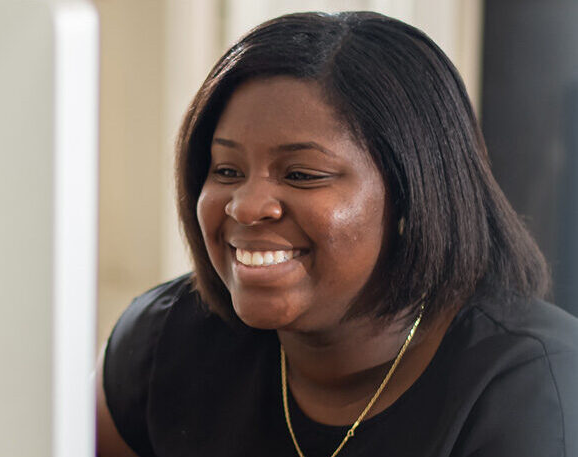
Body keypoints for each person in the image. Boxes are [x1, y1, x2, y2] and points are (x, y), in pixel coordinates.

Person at [96, 11, 578, 457]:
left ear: (413, 196)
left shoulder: (532, 386)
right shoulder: (163, 341)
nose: (245, 205)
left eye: (302, 174)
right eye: (226, 170)